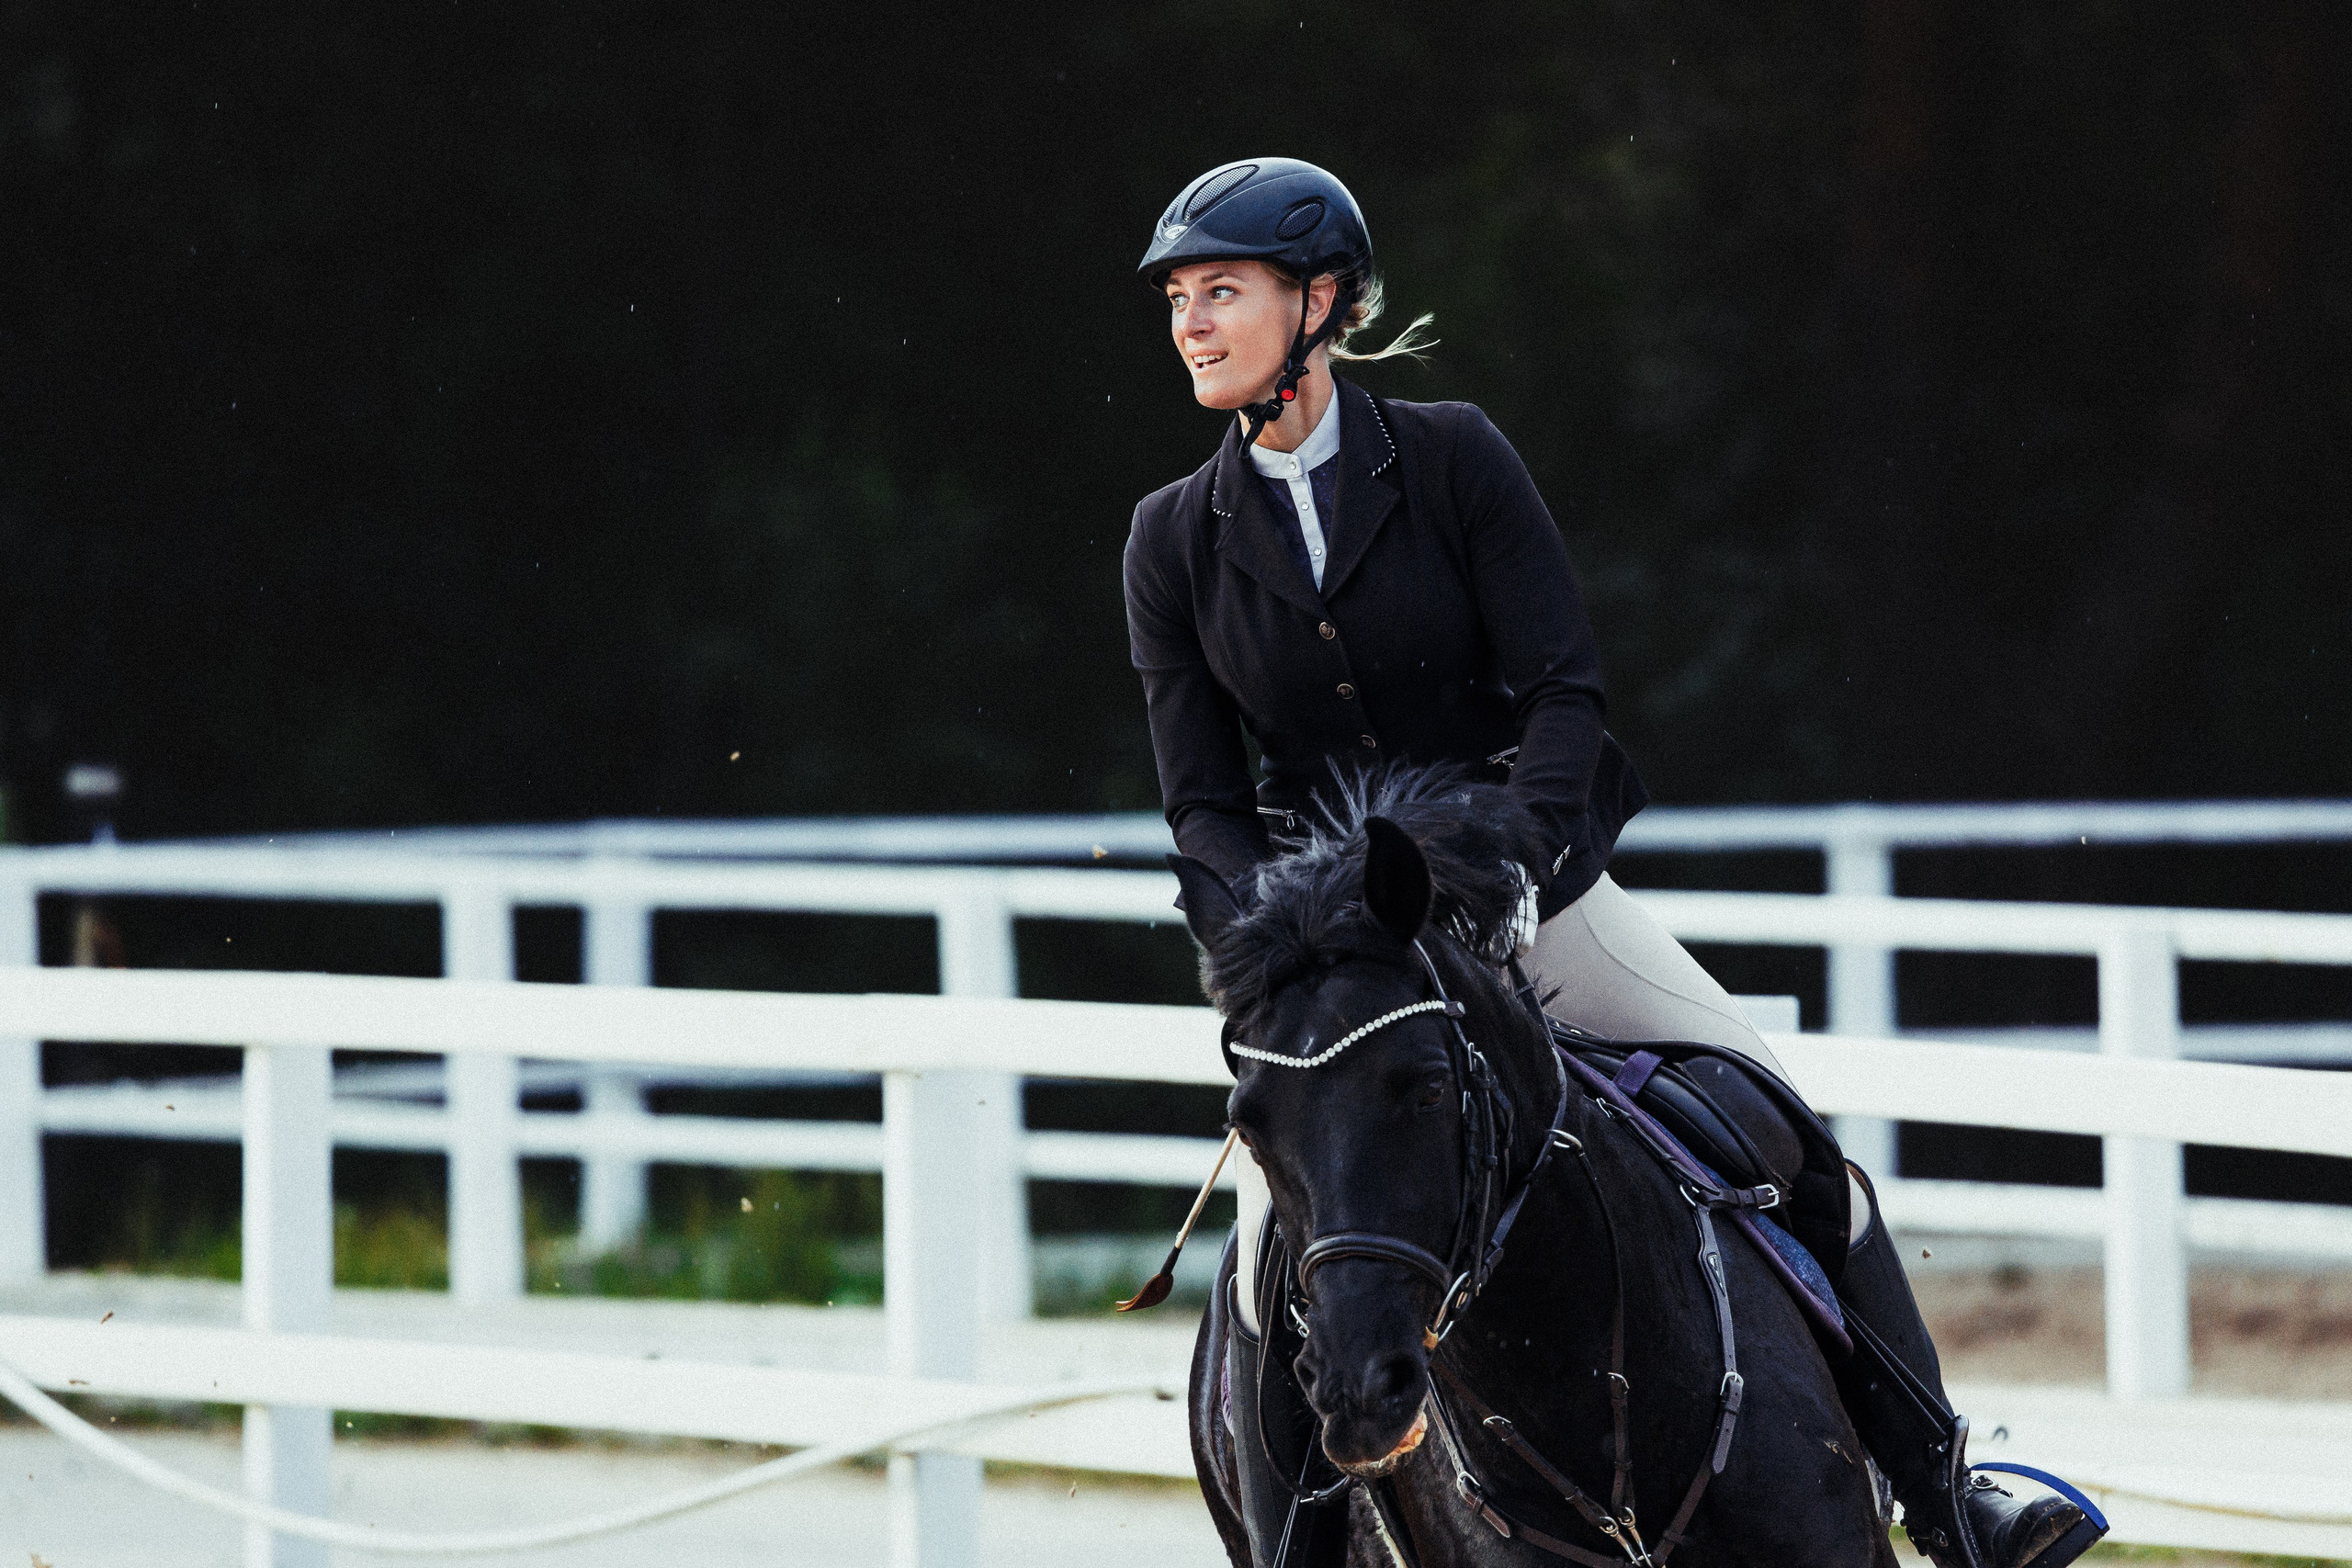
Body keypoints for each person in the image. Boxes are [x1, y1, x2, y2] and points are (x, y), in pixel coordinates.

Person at [1123, 157, 2098, 1568]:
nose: (1192, 325)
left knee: (1789, 1140)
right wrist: (1265, 948)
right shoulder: (1171, 539)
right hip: (1343, 956)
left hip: (1532, 897)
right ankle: (1296, 1546)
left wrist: (1521, 861)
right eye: (1179, 301)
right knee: (1289, 1265)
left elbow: (1564, 691)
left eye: (1223, 292)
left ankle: (1946, 1486)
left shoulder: (1454, 458)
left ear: (1318, 300)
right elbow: (1202, 803)